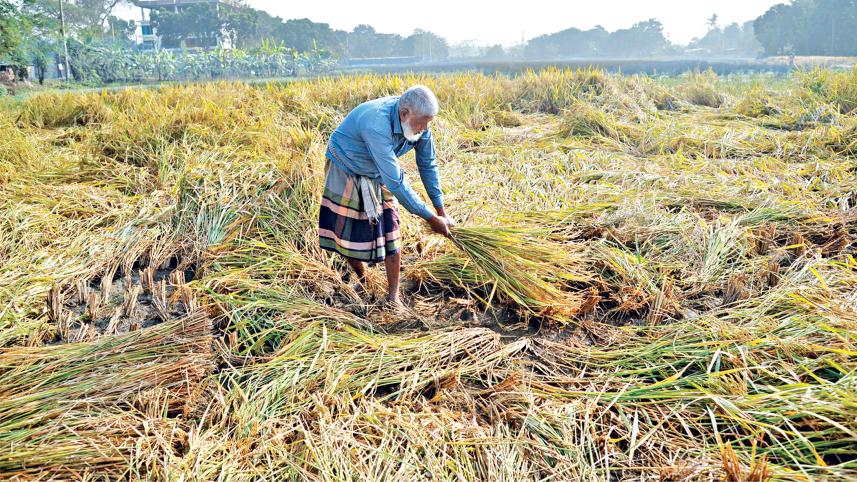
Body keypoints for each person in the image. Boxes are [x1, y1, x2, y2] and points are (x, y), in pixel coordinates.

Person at [319, 85, 453, 309]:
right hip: (346, 164)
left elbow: (427, 164)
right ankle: (364, 278)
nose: (425, 128)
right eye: (422, 123)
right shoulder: (377, 124)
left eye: (428, 123)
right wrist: (430, 219)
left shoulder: (420, 124)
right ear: (404, 114)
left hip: (377, 169)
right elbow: (395, 182)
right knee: (346, 235)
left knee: (392, 230)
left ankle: (393, 297)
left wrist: (441, 212)